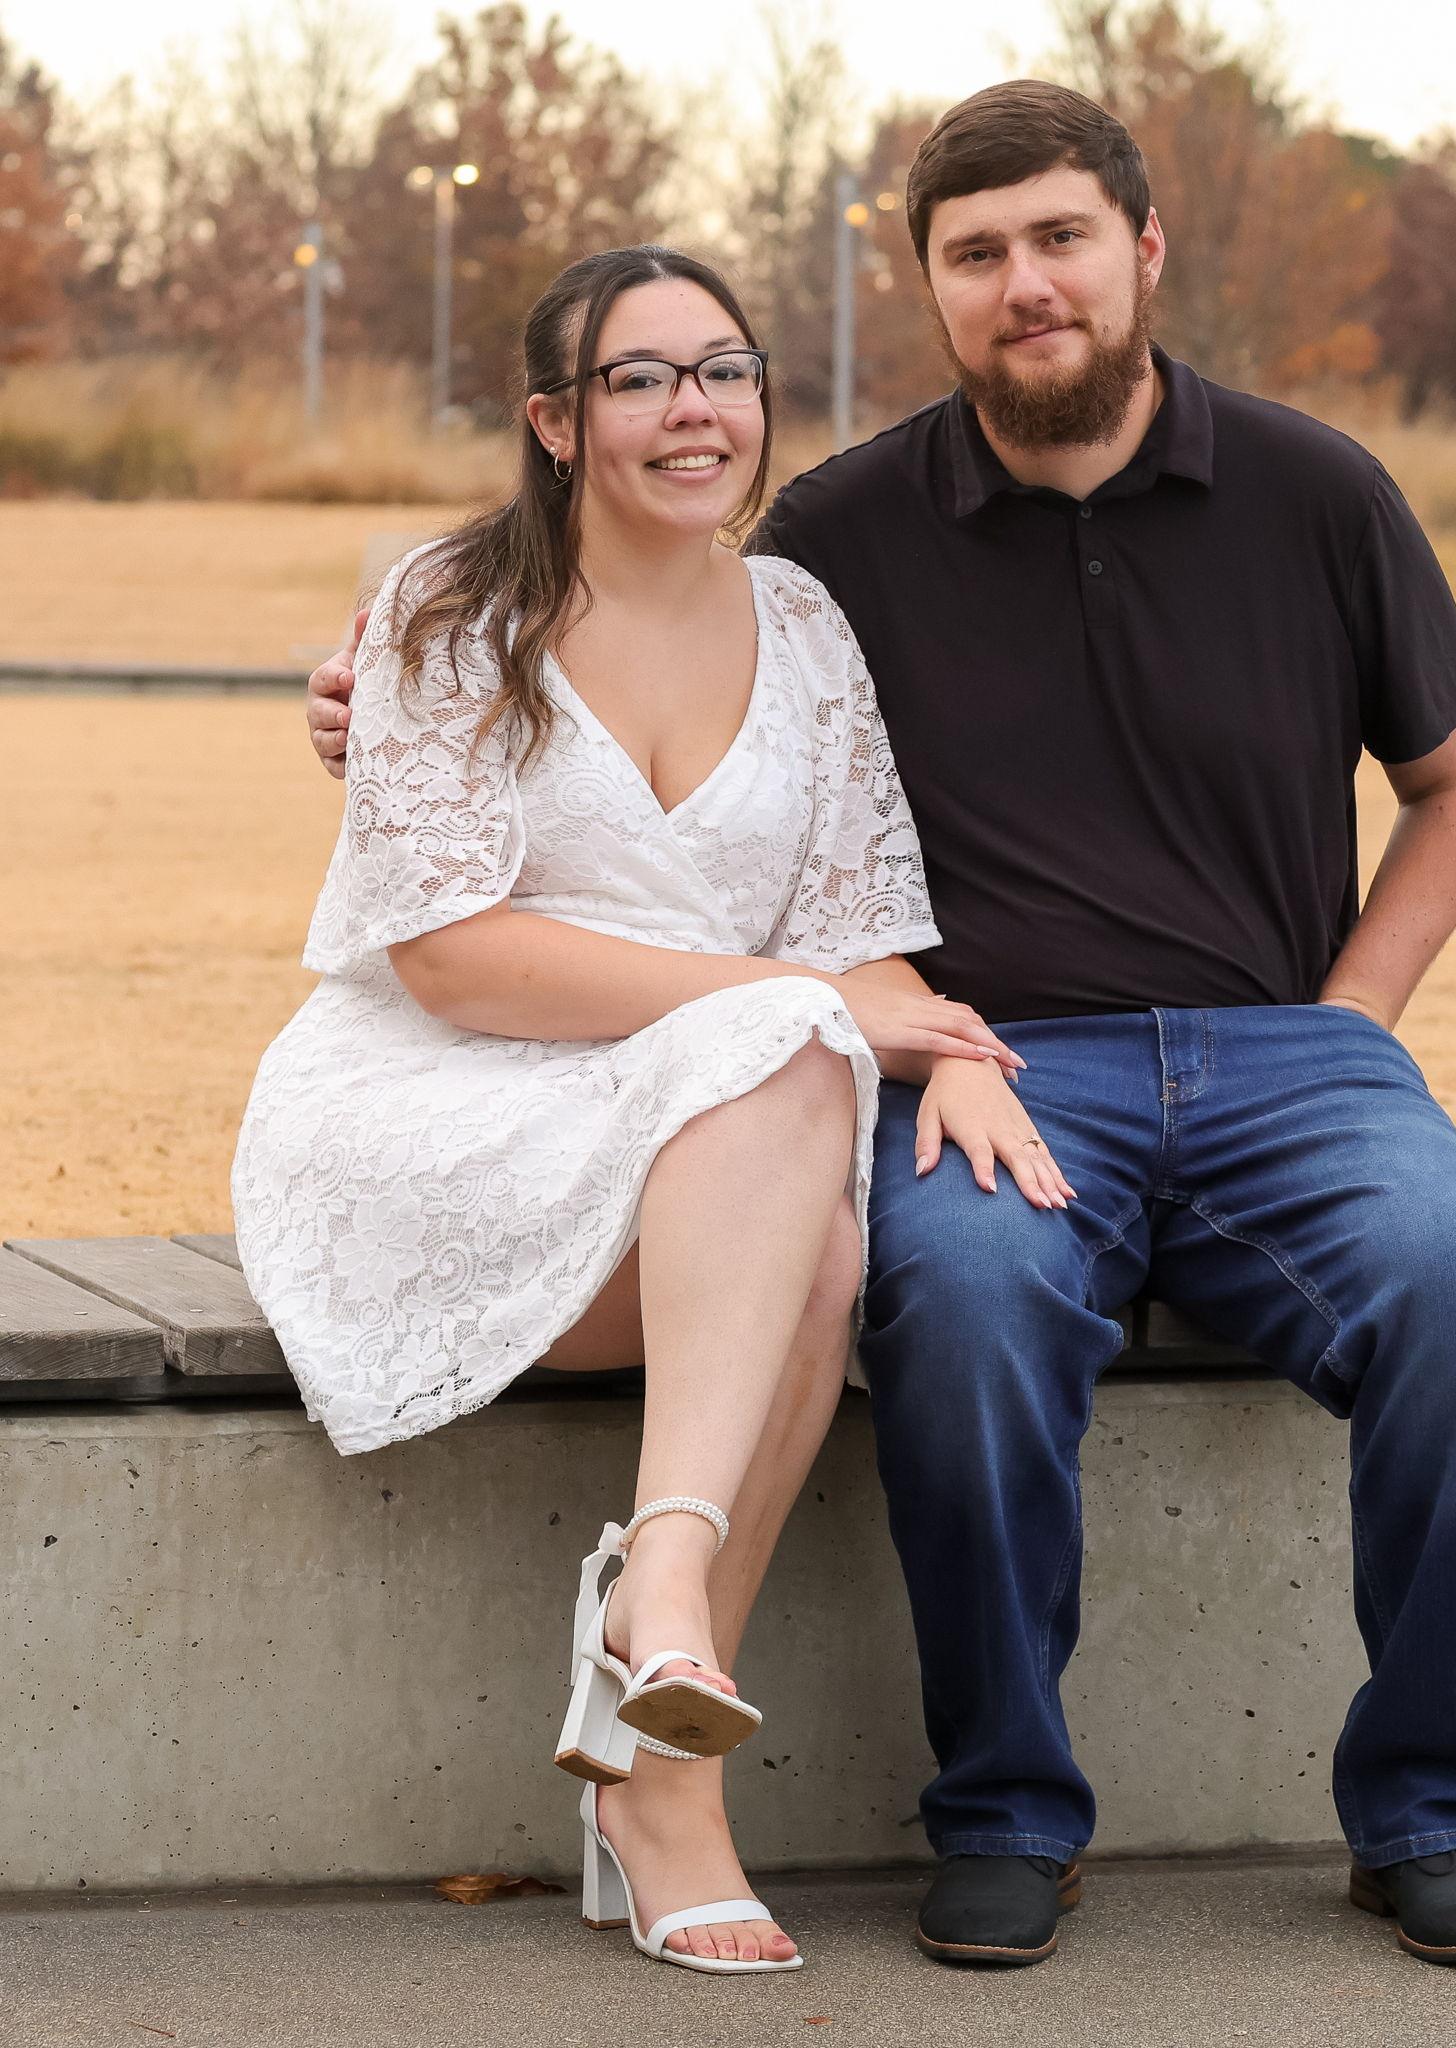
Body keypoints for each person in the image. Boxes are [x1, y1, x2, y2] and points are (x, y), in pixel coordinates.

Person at [307, 83, 1456, 1971]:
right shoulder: (838, 538)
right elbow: (627, 620)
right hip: (982, 1060)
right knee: (962, 1315)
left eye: (1059, 240)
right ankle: (1003, 1810)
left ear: (1143, 252)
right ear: (932, 292)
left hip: (1295, 1059)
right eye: (975, 257)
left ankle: (1430, 1811)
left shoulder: (1320, 491)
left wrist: (1353, 1023)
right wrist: (371, 707)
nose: (1024, 286)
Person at [240, 242, 1037, 1977]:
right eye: (641, 377)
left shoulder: (807, 626)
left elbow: (857, 950)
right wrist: (800, 1009)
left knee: (815, 1220)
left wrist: (950, 1046)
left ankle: (663, 1690)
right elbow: (451, 962)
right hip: (441, 1116)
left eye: (727, 370)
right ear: (553, 419)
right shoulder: (451, 609)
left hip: (704, 1124)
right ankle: (656, 1666)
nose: (698, 410)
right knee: (784, 1079)